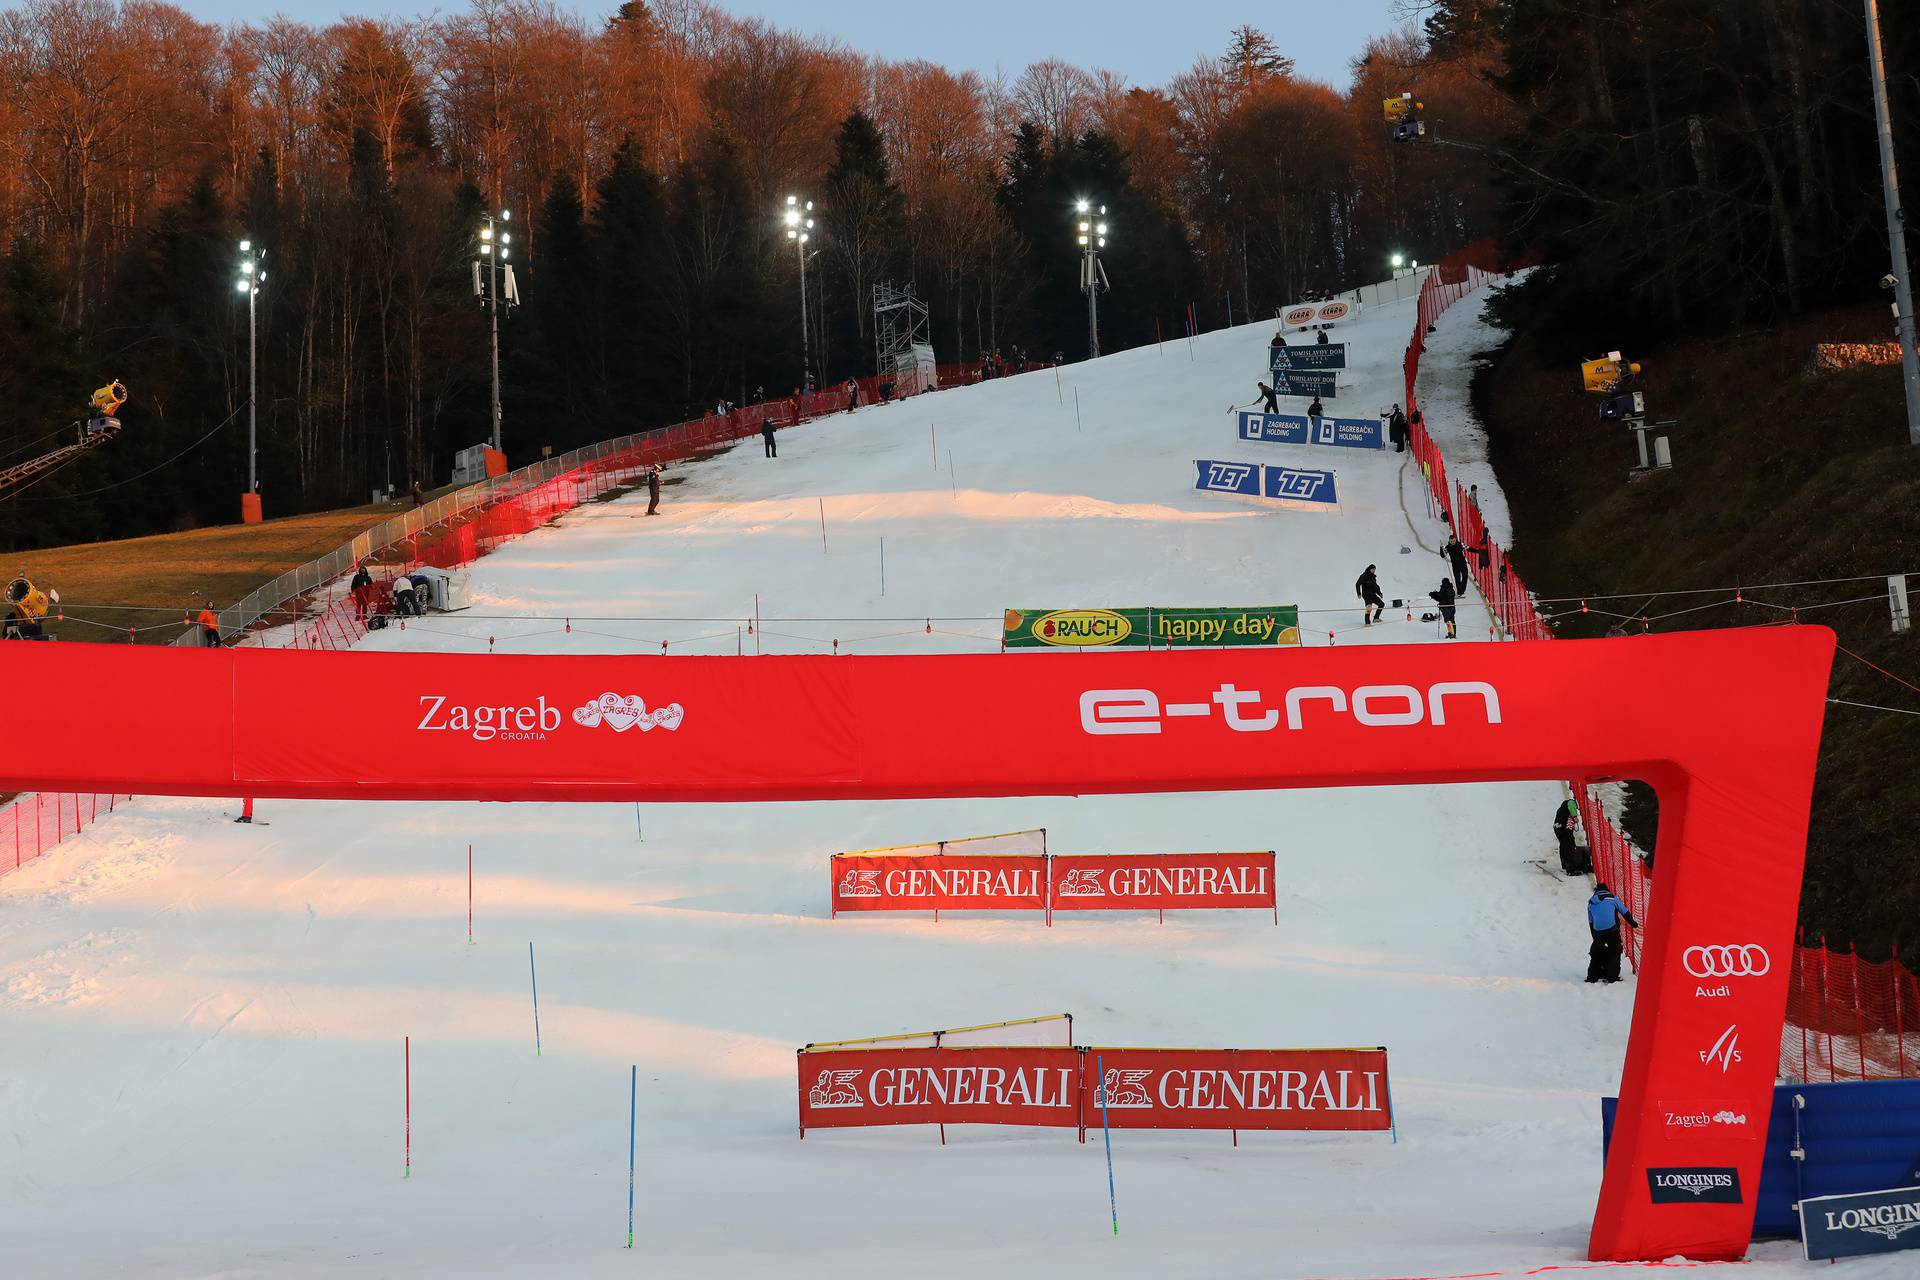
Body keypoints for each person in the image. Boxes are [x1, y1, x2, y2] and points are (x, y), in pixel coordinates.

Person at [1586, 883, 1640, 983]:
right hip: (1612, 930)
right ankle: (1612, 976)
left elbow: (1591, 922)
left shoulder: (1591, 902)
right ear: (1607, 890)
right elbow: (1625, 912)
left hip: (1598, 930)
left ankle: (1592, 976)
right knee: (1615, 951)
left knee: (1596, 952)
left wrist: (1595, 937)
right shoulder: (1612, 898)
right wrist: (1633, 924)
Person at [1553, 799, 1583, 875]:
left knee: (1563, 845)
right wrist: (1575, 816)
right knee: (1570, 846)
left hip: (1557, 828)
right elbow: (1572, 806)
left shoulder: (1561, 809)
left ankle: (1564, 864)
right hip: (1564, 829)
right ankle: (1570, 869)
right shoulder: (1570, 802)